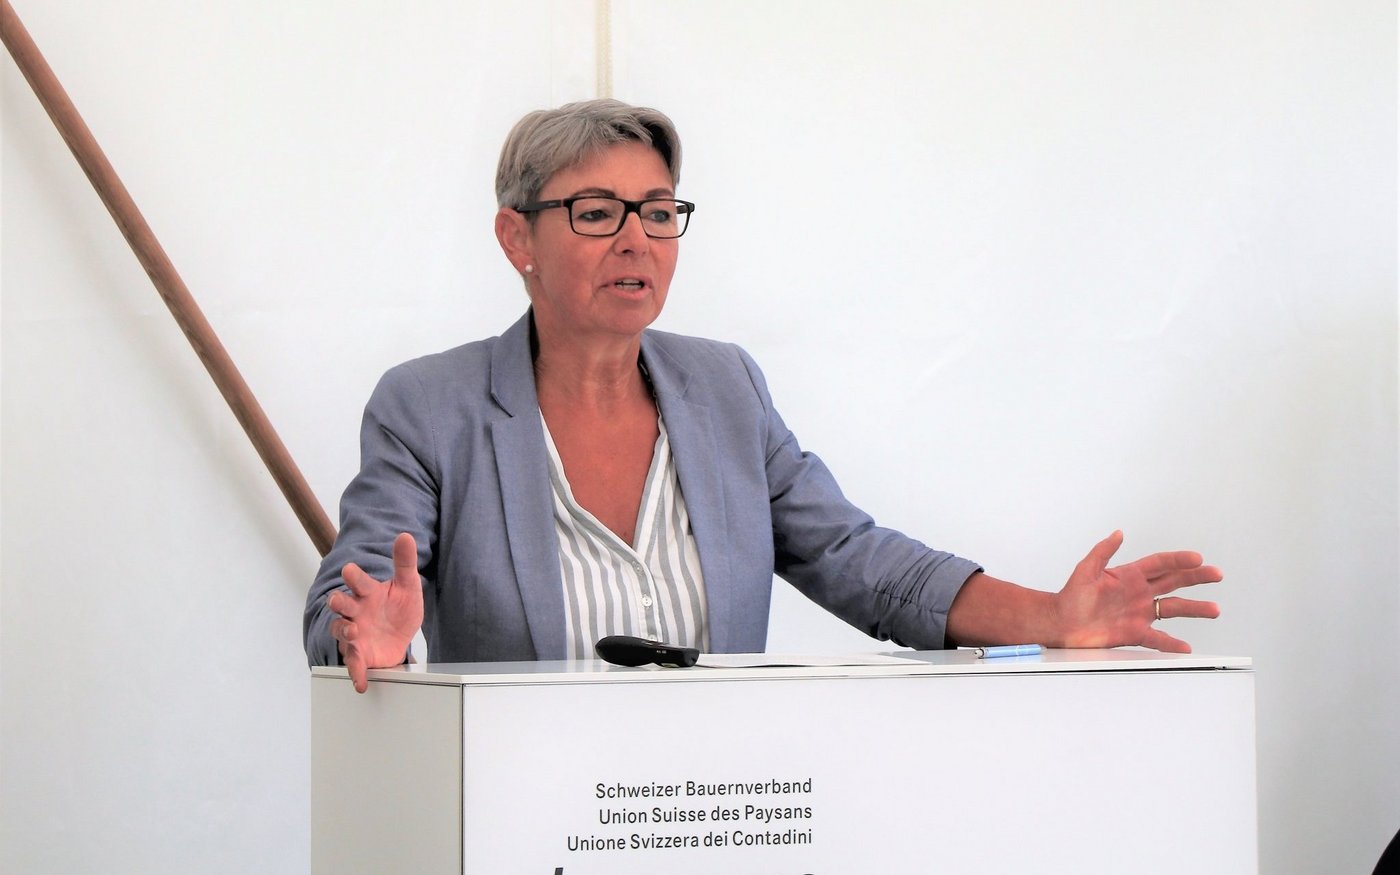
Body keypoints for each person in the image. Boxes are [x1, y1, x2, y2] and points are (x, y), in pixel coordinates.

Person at [303, 99, 1222, 692]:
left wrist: (1051, 618)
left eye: (658, 211)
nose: (637, 239)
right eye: (597, 212)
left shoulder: (724, 389)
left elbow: (861, 562)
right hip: (524, 818)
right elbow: (341, 606)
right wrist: (369, 639)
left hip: (724, 814)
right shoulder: (431, 407)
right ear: (518, 239)